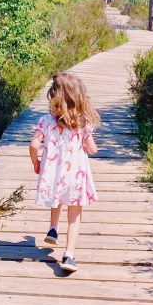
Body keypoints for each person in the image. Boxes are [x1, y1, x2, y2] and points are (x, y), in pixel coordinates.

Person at [28, 72, 99, 273]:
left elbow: (34, 145)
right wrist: (90, 144)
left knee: (56, 198)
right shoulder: (83, 122)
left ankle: (53, 228)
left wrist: (36, 163)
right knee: (74, 214)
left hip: (53, 174)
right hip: (76, 177)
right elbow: (92, 150)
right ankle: (69, 255)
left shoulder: (45, 121)